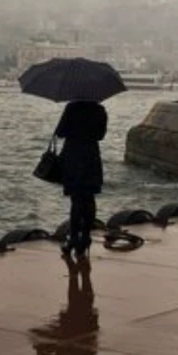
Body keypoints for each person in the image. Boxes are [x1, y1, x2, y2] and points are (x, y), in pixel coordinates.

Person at [56, 99, 107, 258]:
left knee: (76, 200)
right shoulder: (100, 110)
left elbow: (60, 132)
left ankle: (72, 239)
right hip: (91, 156)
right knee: (89, 198)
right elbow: (101, 135)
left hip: (73, 156)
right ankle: (85, 237)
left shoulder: (72, 107)